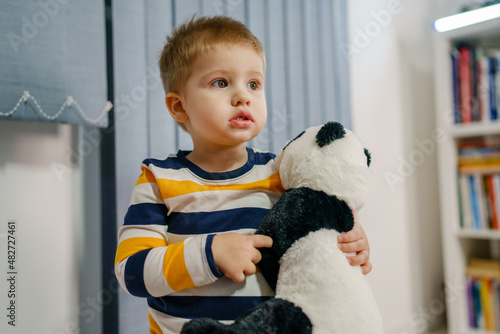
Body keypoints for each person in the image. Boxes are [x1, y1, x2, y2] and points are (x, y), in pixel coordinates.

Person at [114, 15, 372, 334]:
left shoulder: (281, 173)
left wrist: (353, 238)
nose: (242, 96)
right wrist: (210, 254)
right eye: (221, 82)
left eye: (253, 83)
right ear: (179, 107)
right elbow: (131, 273)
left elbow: (319, 223)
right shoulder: (158, 180)